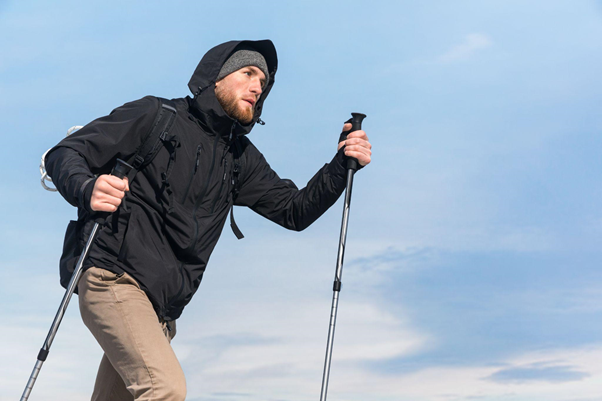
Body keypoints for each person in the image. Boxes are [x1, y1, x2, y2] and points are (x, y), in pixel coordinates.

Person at [45, 39, 372, 401]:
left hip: (161, 313)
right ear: (216, 77)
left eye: (263, 82)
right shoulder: (156, 116)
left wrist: (341, 165)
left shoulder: (240, 159)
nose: (257, 87)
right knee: (164, 388)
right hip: (113, 278)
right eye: (247, 73)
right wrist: (86, 187)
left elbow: (295, 211)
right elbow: (67, 152)